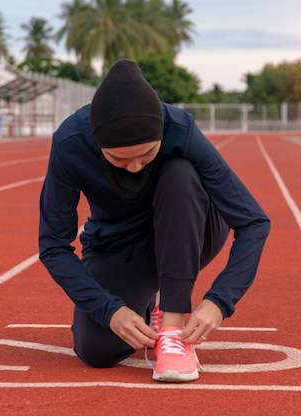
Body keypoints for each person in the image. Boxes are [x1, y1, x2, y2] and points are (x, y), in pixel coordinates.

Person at [38, 59, 270, 383]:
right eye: (119, 159)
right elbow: (53, 245)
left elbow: (253, 221)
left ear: (161, 131)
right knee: (96, 350)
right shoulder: (69, 143)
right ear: (96, 141)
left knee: (180, 173)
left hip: (190, 225)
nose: (134, 167)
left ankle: (173, 327)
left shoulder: (181, 128)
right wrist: (110, 309)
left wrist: (219, 301)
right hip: (120, 244)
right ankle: (147, 305)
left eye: (146, 154)